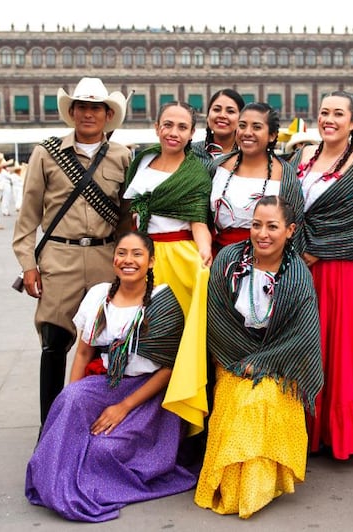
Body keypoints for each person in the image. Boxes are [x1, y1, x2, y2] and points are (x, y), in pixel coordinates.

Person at [25, 231, 198, 522]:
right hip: (105, 382)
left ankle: (80, 478)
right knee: (70, 400)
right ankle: (54, 482)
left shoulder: (163, 302)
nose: (128, 260)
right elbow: (82, 354)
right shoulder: (98, 295)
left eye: (137, 254)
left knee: (105, 450)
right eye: (122, 253)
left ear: (151, 262)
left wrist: (123, 407)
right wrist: (73, 405)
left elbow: (168, 370)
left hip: (146, 395)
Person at [13, 77, 131, 429]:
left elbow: (125, 218)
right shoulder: (46, 153)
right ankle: (49, 428)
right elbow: (28, 216)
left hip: (104, 258)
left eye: (96, 107)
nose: (89, 114)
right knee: (54, 343)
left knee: (106, 345)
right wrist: (28, 265)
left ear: (108, 114)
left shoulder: (123, 156)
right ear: (72, 111)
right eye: (82, 106)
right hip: (59, 258)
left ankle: (97, 424)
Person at [195, 196, 323, 519]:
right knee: (242, 401)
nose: (262, 234)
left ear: (290, 231)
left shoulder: (298, 277)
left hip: (280, 365)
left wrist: (265, 361)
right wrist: (241, 360)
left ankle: (257, 489)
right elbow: (218, 320)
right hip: (233, 359)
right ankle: (235, 486)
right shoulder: (228, 260)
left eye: (272, 226)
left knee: (262, 398)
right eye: (256, 225)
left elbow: (302, 335)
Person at [291, 90, 353, 460]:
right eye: (324, 112)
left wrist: (315, 250)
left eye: (338, 114)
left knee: (336, 352)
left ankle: (336, 431)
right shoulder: (300, 156)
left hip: (339, 272)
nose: (329, 119)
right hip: (298, 266)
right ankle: (300, 425)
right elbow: (285, 204)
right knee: (302, 345)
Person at [123, 101, 212, 437]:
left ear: (192, 134)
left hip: (179, 259)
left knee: (178, 341)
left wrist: (204, 251)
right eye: (168, 125)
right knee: (141, 340)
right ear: (156, 126)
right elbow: (131, 215)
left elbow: (198, 220)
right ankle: (140, 426)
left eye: (182, 127)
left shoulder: (194, 172)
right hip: (141, 257)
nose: (174, 132)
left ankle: (181, 428)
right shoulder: (141, 160)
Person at [210, 102, 305, 256]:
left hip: (267, 262)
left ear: (272, 135)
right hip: (219, 258)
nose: (247, 132)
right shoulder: (218, 167)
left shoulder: (285, 176)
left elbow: (296, 227)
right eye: (242, 125)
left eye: (256, 127)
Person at [192, 88, 245, 171]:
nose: (222, 115)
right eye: (217, 109)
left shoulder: (248, 156)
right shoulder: (190, 152)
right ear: (208, 116)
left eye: (230, 111)